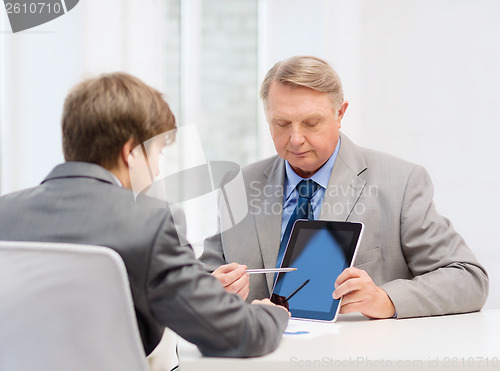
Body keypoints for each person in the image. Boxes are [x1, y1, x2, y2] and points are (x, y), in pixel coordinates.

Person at [0, 72, 289, 357]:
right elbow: (238, 335)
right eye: (158, 153)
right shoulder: (149, 223)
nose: (158, 170)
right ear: (131, 153)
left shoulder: (5, 213)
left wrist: (196, 287)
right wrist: (269, 313)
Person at [200, 55, 489, 319]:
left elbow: (468, 278)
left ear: (340, 114)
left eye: (311, 122)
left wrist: (386, 299)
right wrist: (211, 292)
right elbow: (197, 283)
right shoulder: (237, 187)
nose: (296, 138)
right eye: (282, 123)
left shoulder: (401, 182)